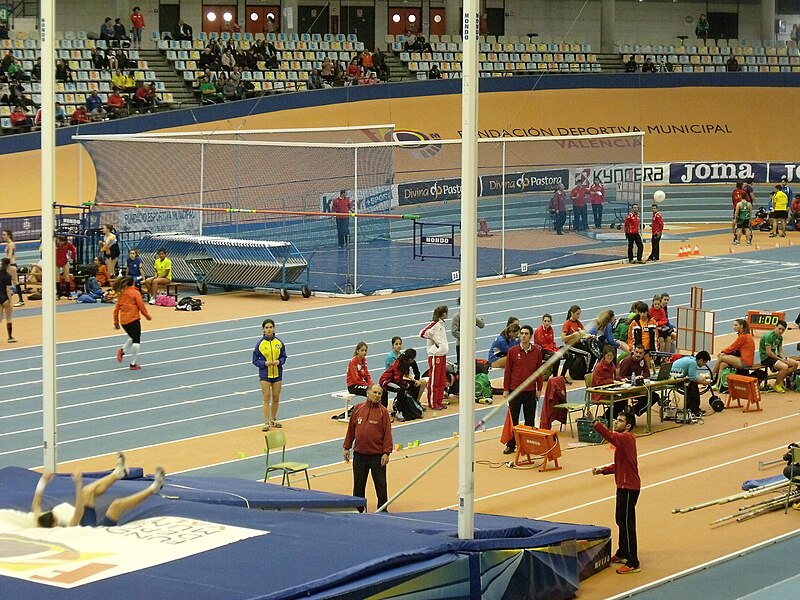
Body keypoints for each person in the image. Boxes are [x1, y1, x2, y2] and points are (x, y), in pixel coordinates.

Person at [30, 454, 165, 529]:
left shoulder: (39, 521)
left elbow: (36, 504)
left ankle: (119, 473)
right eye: (55, 518)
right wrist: (78, 485)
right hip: (94, 532)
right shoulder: (65, 532)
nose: (57, 516)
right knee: (116, 505)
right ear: (54, 524)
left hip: (84, 524)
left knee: (87, 491)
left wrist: (43, 481)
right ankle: (155, 487)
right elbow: (79, 512)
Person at [592, 412, 641, 574]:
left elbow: (609, 436)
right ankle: (623, 552)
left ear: (627, 426)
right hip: (622, 486)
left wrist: (595, 422)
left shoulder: (626, 438)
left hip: (629, 488)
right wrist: (603, 470)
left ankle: (633, 562)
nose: (616, 422)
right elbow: (618, 465)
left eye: (620, 421)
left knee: (627, 524)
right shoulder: (623, 442)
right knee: (620, 519)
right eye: (617, 419)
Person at [343, 384, 393, 513]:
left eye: (379, 394)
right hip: (359, 455)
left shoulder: (383, 412)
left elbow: (387, 433)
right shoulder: (358, 409)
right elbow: (351, 430)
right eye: (375, 392)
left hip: (377, 456)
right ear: (368, 393)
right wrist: (347, 447)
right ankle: (358, 508)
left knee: (381, 485)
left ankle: (383, 509)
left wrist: (386, 453)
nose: (377, 395)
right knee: (359, 484)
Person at [502, 325, 543, 454]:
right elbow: (508, 371)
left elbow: (539, 372)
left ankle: (528, 445)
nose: (523, 335)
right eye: (522, 333)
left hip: (530, 391)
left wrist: (539, 388)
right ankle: (511, 444)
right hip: (515, 390)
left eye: (526, 333)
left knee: (529, 420)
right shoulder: (512, 351)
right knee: (513, 419)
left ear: (530, 336)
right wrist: (506, 389)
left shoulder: (536, 351)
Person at [252, 318, 286, 431]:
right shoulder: (260, 344)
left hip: (277, 374)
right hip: (265, 374)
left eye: (270, 327)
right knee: (266, 397)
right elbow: (255, 360)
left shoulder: (279, 343)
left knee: (276, 397)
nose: (269, 329)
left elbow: (283, 356)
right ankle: (266, 422)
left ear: (274, 328)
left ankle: (273, 419)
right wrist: (264, 363)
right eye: (266, 328)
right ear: (263, 330)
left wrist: (279, 362)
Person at [113, 276, 152, 370]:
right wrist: (147, 316)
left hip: (124, 321)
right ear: (133, 283)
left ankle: (122, 350)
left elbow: (116, 310)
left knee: (133, 336)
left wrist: (116, 322)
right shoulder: (135, 293)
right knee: (136, 340)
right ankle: (133, 364)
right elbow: (141, 306)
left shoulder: (122, 294)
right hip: (133, 319)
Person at [710, 319, 755, 388]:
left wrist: (723, 352)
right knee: (722, 364)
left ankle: (711, 376)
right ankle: (717, 384)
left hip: (745, 362)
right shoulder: (744, 335)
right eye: (733, 325)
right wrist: (725, 353)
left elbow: (732, 347)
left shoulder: (743, 336)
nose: (734, 327)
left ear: (742, 326)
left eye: (736, 325)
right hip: (744, 359)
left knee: (721, 357)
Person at [420, 305, 449, 410]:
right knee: (434, 380)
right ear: (443, 314)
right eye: (446, 312)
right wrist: (434, 341)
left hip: (442, 355)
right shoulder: (434, 324)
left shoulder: (442, 324)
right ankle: (432, 402)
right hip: (435, 356)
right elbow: (422, 333)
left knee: (442, 380)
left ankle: (439, 400)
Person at [758, 320, 798, 393]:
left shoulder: (780, 338)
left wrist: (783, 358)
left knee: (794, 364)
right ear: (775, 327)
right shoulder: (768, 336)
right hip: (766, 358)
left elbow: (779, 350)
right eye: (779, 329)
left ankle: (780, 380)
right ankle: (777, 384)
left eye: (783, 330)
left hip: (774, 356)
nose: (781, 331)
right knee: (784, 367)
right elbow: (768, 352)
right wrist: (780, 359)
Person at [670, 351, 712, 417]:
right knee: (693, 386)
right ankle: (694, 409)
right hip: (673, 379)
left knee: (691, 385)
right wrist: (703, 382)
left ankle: (690, 408)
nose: (704, 364)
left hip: (675, 376)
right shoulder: (693, 363)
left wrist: (701, 380)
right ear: (701, 360)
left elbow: (691, 376)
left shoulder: (691, 359)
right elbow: (692, 378)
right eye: (705, 362)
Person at [451, 298, 485, 365]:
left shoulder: (471, 315)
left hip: (471, 344)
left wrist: (475, 318)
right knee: (461, 365)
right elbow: (454, 332)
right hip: (461, 345)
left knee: (471, 364)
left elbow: (482, 325)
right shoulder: (457, 317)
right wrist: (466, 338)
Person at [534, 313, 562, 378]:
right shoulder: (539, 331)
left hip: (549, 349)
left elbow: (552, 342)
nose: (546, 323)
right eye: (545, 321)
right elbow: (543, 345)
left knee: (567, 354)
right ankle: (555, 377)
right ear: (542, 322)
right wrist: (555, 352)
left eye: (548, 321)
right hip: (542, 351)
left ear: (551, 322)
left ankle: (562, 375)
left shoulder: (550, 329)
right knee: (556, 357)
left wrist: (557, 350)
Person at [3, 229, 24, 307]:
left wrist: (4, 262)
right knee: (5, 282)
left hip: (11, 265)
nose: (3, 236)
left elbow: (10, 255)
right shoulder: (8, 244)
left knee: (15, 282)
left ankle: (21, 300)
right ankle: (7, 298)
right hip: (8, 265)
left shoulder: (11, 244)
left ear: (8, 235)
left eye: (4, 235)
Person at [0, 258, 15, 342]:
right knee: (9, 318)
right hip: (5, 298)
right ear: (8, 265)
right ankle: (10, 337)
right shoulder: (8, 276)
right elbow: (8, 290)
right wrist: (10, 301)